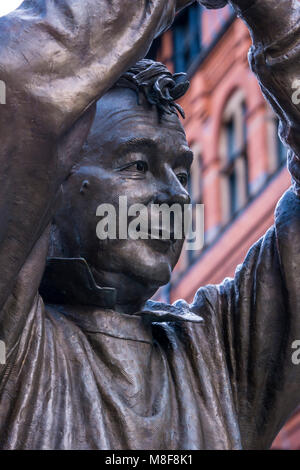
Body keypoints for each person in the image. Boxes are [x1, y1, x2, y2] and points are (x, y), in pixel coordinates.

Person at [0, 0, 300, 450]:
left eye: (182, 174)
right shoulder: (15, 340)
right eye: (137, 165)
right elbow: (20, 85)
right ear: (52, 187)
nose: (177, 196)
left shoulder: (221, 354)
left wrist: (278, 14)